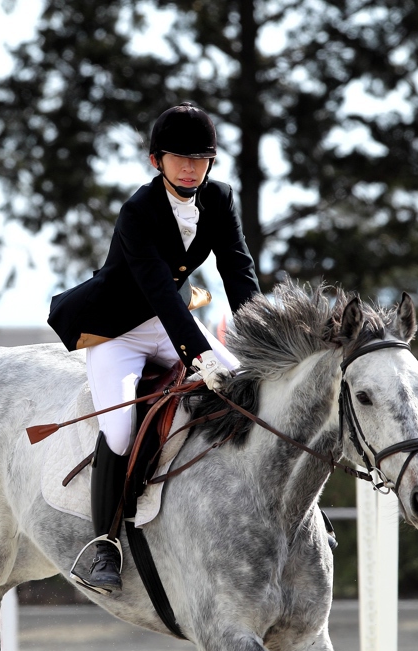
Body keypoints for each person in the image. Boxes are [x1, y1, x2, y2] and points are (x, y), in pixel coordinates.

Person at [47, 102, 260, 595]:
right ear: (155, 161)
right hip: (119, 331)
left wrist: (262, 339)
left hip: (173, 322)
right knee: (119, 429)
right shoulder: (137, 211)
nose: (191, 168)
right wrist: (197, 356)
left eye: (200, 159)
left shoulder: (220, 199)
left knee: (249, 392)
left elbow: (238, 271)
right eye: (179, 158)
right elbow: (159, 291)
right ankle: (103, 544)